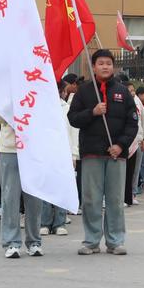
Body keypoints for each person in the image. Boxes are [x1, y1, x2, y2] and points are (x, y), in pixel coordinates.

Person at [69, 49, 138, 255]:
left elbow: (132, 123)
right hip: (91, 153)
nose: (105, 66)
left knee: (116, 199)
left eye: (108, 63)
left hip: (117, 154)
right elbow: (73, 118)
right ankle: (91, 241)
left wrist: (120, 145)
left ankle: (115, 241)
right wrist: (93, 112)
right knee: (91, 199)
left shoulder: (123, 91)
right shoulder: (84, 92)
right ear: (94, 66)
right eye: (101, 63)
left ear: (113, 66)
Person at [0, 109, 43, 258]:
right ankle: (11, 242)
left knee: (34, 198)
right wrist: (11, 107)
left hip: (33, 147)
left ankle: (34, 241)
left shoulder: (37, 87)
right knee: (10, 197)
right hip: (10, 148)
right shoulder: (6, 91)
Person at [40, 80, 74, 236]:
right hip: (45, 152)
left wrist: (74, 154)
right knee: (46, 189)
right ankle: (45, 222)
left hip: (63, 153)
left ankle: (60, 222)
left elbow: (73, 132)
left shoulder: (67, 108)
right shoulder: (40, 108)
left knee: (61, 188)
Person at [123, 81, 144, 207]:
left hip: (135, 141)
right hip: (123, 143)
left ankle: (130, 196)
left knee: (132, 171)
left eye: (133, 90)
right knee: (122, 172)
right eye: (130, 90)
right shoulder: (120, 103)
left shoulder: (136, 102)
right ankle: (122, 197)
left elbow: (142, 121)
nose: (132, 93)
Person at [65, 74, 81, 215]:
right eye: (74, 83)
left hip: (71, 148)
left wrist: (74, 153)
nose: (76, 86)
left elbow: (73, 131)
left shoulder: (70, 103)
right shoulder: (67, 103)